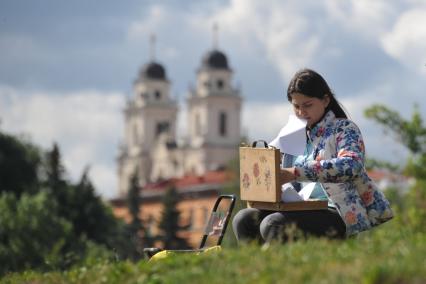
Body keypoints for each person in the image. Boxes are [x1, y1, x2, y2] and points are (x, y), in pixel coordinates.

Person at [233, 68, 393, 244]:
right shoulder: (292, 134)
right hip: (298, 207)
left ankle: (289, 270)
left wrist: (295, 172)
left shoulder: (344, 129)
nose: (301, 112)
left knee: (273, 224)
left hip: (336, 211)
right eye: (296, 106)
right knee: (244, 219)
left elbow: (352, 165)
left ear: (325, 100)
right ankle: (258, 270)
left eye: (307, 105)